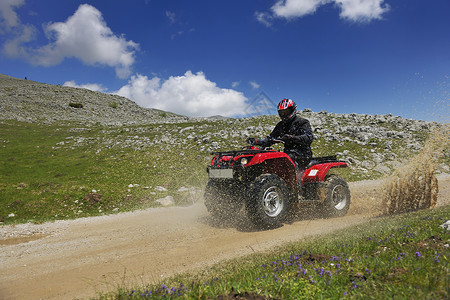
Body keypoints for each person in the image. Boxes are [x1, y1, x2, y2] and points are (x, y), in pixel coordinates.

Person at [247, 98, 314, 170]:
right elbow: (270, 138)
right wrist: (257, 141)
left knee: (288, 158)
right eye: (282, 113)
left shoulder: (302, 122)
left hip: (303, 154)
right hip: (287, 153)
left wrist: (291, 138)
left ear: (292, 110)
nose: (284, 114)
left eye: (286, 112)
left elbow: (309, 138)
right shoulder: (280, 125)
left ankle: (296, 180)